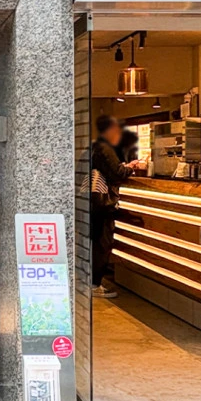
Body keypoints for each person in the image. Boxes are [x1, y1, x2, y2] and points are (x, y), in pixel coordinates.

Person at [90, 115, 143, 298]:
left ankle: (89, 281)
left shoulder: (94, 146)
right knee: (102, 243)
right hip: (100, 203)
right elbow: (117, 172)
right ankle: (94, 284)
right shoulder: (105, 148)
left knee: (94, 242)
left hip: (91, 201)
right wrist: (131, 167)